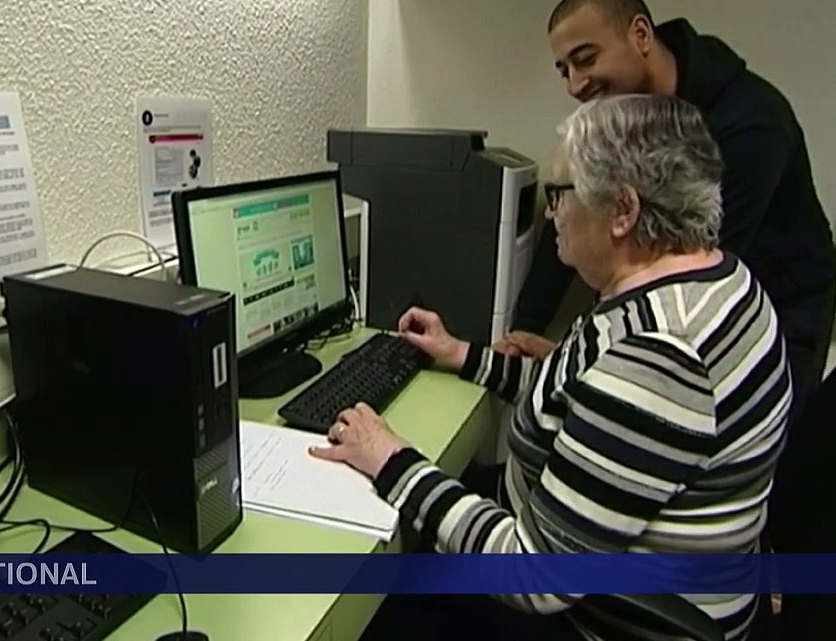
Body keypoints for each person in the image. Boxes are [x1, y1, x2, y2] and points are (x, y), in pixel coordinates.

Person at [312, 95, 793, 641]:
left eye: (560, 194)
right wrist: (462, 354)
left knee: (373, 601)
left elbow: (531, 577)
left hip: (607, 620)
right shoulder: (715, 283)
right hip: (620, 563)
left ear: (623, 210)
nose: (549, 212)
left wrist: (391, 459)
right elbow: (583, 399)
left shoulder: (659, 354)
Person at [497, 0, 836, 417]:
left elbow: (683, 265)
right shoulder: (623, 109)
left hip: (778, 306)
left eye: (586, 59)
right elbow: (576, 205)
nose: (575, 84)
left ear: (640, 35)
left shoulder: (752, 122)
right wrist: (522, 330)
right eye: (564, 69)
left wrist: (584, 355)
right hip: (676, 306)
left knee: (752, 440)